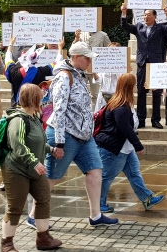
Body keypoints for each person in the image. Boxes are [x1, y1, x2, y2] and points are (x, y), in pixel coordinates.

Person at [45, 42, 119, 227]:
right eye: (86, 58)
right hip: (65, 135)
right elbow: (59, 110)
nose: (89, 61)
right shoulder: (64, 77)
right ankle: (34, 214)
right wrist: (59, 143)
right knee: (52, 177)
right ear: (76, 57)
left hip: (84, 137)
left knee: (95, 171)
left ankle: (96, 215)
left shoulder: (79, 75)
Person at [0, 84, 62, 252]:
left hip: (34, 169)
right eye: (41, 96)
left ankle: (43, 238)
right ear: (33, 99)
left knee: (43, 199)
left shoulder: (34, 117)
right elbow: (18, 145)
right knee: (15, 208)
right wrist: (34, 162)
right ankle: (7, 244)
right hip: (17, 170)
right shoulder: (18, 120)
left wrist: (51, 150)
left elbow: (38, 141)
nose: (44, 98)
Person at [95, 73, 165, 212]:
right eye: (133, 85)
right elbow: (125, 128)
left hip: (125, 147)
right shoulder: (120, 107)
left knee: (134, 173)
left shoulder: (121, 102)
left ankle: (147, 198)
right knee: (107, 176)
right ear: (129, 87)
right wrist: (138, 145)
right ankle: (98, 204)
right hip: (114, 148)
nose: (135, 88)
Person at [121, 3, 167, 129]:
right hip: (142, 64)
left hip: (156, 64)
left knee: (156, 93)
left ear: (155, 17)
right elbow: (125, 26)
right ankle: (141, 119)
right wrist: (124, 13)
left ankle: (155, 120)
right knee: (141, 92)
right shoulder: (139, 27)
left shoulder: (160, 28)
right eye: (144, 15)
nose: (146, 17)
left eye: (149, 15)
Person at [5, 37, 65, 108]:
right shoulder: (42, 72)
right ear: (36, 60)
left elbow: (8, 59)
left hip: (19, 108)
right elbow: (56, 63)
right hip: (35, 108)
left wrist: (11, 43)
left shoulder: (13, 71)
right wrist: (60, 48)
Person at [73, 28, 111, 109]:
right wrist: (76, 38)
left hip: (97, 70)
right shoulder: (81, 33)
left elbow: (110, 50)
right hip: (83, 69)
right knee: (80, 93)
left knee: (95, 95)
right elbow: (74, 50)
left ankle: (95, 115)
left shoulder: (103, 35)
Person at [92, 42, 122, 112]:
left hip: (116, 95)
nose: (111, 52)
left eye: (114, 50)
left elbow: (123, 80)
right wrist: (94, 71)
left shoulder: (122, 64)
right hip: (103, 95)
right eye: (109, 50)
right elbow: (98, 80)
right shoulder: (103, 63)